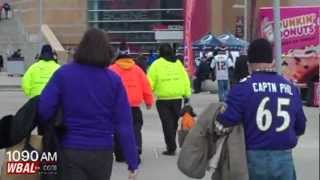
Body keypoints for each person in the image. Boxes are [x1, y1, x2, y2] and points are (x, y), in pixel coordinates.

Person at [38, 28, 139, 180]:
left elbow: (44, 108)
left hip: (70, 148)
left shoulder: (63, 74)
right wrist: (132, 161)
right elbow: (124, 124)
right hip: (102, 152)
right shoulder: (114, 80)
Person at [216, 39, 307, 180]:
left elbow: (223, 124)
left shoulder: (241, 89)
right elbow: (300, 127)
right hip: (284, 158)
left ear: (248, 64)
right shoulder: (291, 88)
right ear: (272, 62)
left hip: (253, 158)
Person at [110, 49, 154, 162]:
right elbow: (146, 86)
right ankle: (136, 146)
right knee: (135, 128)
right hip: (134, 106)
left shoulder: (111, 70)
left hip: (117, 106)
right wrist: (149, 101)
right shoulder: (137, 70)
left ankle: (120, 155)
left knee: (118, 130)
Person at [148, 43, 191, 155]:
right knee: (174, 123)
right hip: (177, 98)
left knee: (166, 123)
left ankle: (171, 147)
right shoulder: (178, 63)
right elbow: (185, 79)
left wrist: (148, 95)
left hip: (163, 99)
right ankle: (171, 142)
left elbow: (150, 82)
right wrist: (187, 94)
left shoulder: (156, 64)